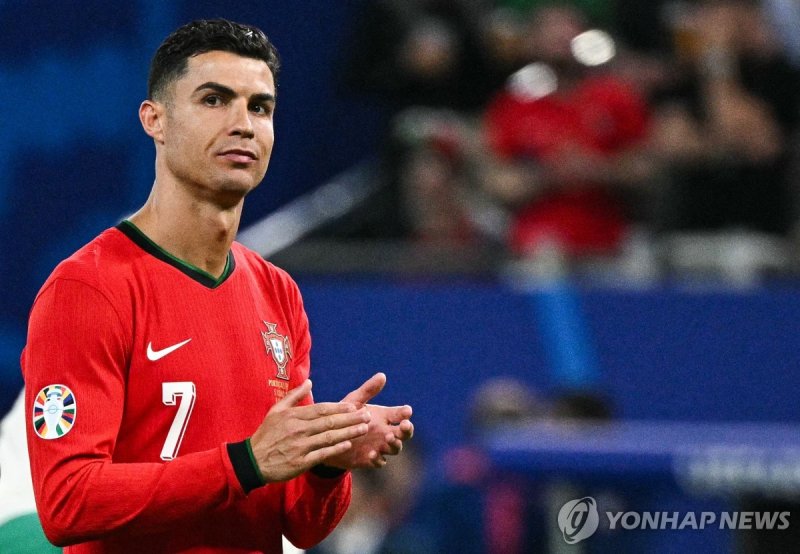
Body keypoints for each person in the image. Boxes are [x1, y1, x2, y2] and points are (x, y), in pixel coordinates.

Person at [21, 19, 414, 553]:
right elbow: (67, 502)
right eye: (214, 99)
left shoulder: (278, 293)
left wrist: (324, 462)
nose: (243, 124)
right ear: (154, 119)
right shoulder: (88, 289)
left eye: (260, 107)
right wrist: (245, 463)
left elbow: (299, 524)